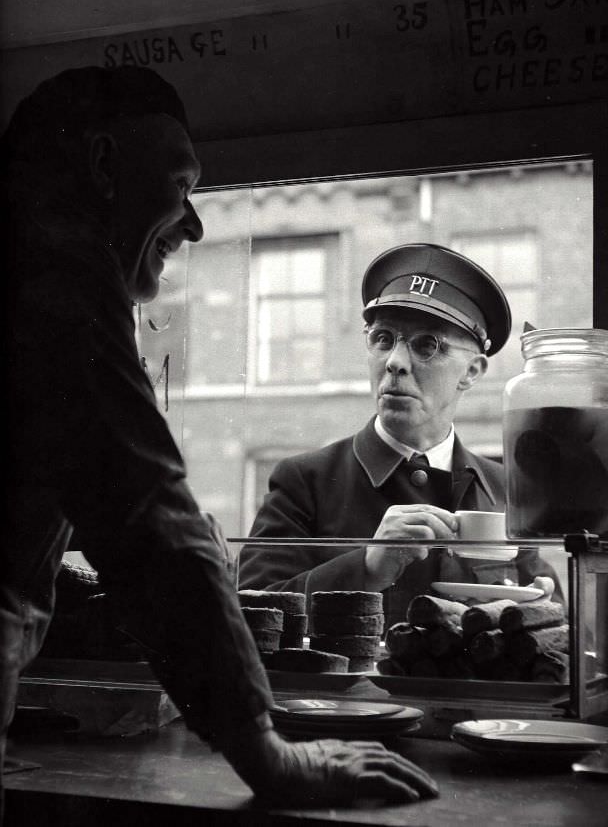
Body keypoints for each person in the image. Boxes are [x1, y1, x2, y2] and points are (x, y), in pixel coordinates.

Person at [0, 66, 438, 820]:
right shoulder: (56, 276)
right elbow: (149, 525)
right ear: (103, 165)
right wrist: (263, 748)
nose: (195, 224)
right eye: (180, 180)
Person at [240, 243, 561, 627]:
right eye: (383, 339)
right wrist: (367, 567)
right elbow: (247, 617)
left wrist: (544, 609)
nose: (394, 362)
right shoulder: (305, 482)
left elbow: (562, 628)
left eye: (428, 345)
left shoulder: (504, 491)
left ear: (472, 372)